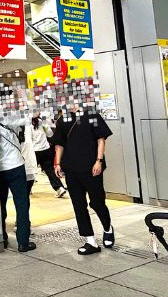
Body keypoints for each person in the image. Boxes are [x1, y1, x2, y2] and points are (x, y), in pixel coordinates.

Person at [53, 103, 114, 255]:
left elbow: (101, 139)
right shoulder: (62, 120)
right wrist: (58, 163)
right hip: (71, 169)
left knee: (97, 202)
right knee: (79, 205)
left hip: (91, 168)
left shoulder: (92, 115)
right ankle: (90, 241)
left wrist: (99, 161)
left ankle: (107, 228)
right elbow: (59, 144)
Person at [0, 103, 36, 253]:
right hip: (15, 165)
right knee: (21, 203)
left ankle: (2, 239)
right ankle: (23, 242)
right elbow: (31, 115)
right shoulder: (6, 115)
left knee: (0, 205)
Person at [30, 113, 66, 197]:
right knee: (50, 171)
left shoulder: (28, 124)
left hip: (34, 151)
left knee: (30, 171)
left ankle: (27, 189)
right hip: (45, 150)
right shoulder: (43, 121)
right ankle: (59, 188)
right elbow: (50, 134)